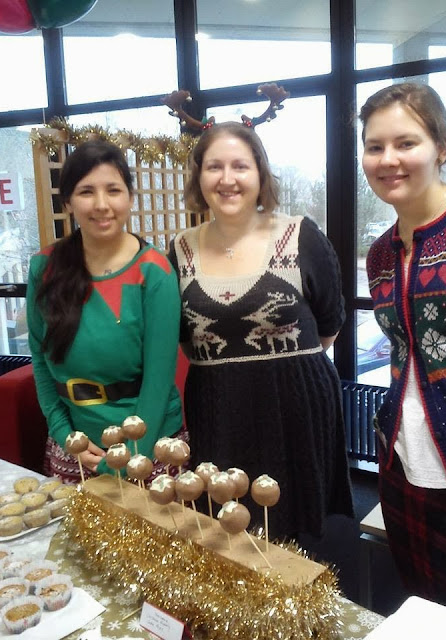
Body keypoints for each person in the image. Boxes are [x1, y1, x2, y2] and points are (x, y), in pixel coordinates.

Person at [168, 121, 354, 540]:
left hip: (295, 404)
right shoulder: (181, 249)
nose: (227, 179)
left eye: (240, 166)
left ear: (260, 174)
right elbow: (183, 335)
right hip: (216, 406)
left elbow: (330, 325)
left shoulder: (299, 235)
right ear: (199, 176)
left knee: (297, 532)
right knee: (224, 525)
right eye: (214, 167)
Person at [360, 82, 446, 614]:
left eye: (406, 143)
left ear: (442, 146)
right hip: (404, 464)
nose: (388, 160)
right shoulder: (381, 253)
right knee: (423, 606)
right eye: (375, 146)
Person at [27, 140, 183, 483]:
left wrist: (132, 457)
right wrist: (65, 435)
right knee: (70, 539)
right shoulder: (44, 268)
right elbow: (40, 358)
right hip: (74, 444)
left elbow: (159, 380)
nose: (101, 205)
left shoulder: (154, 273)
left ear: (129, 196)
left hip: (149, 443)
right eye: (86, 192)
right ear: (67, 201)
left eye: (113, 190)